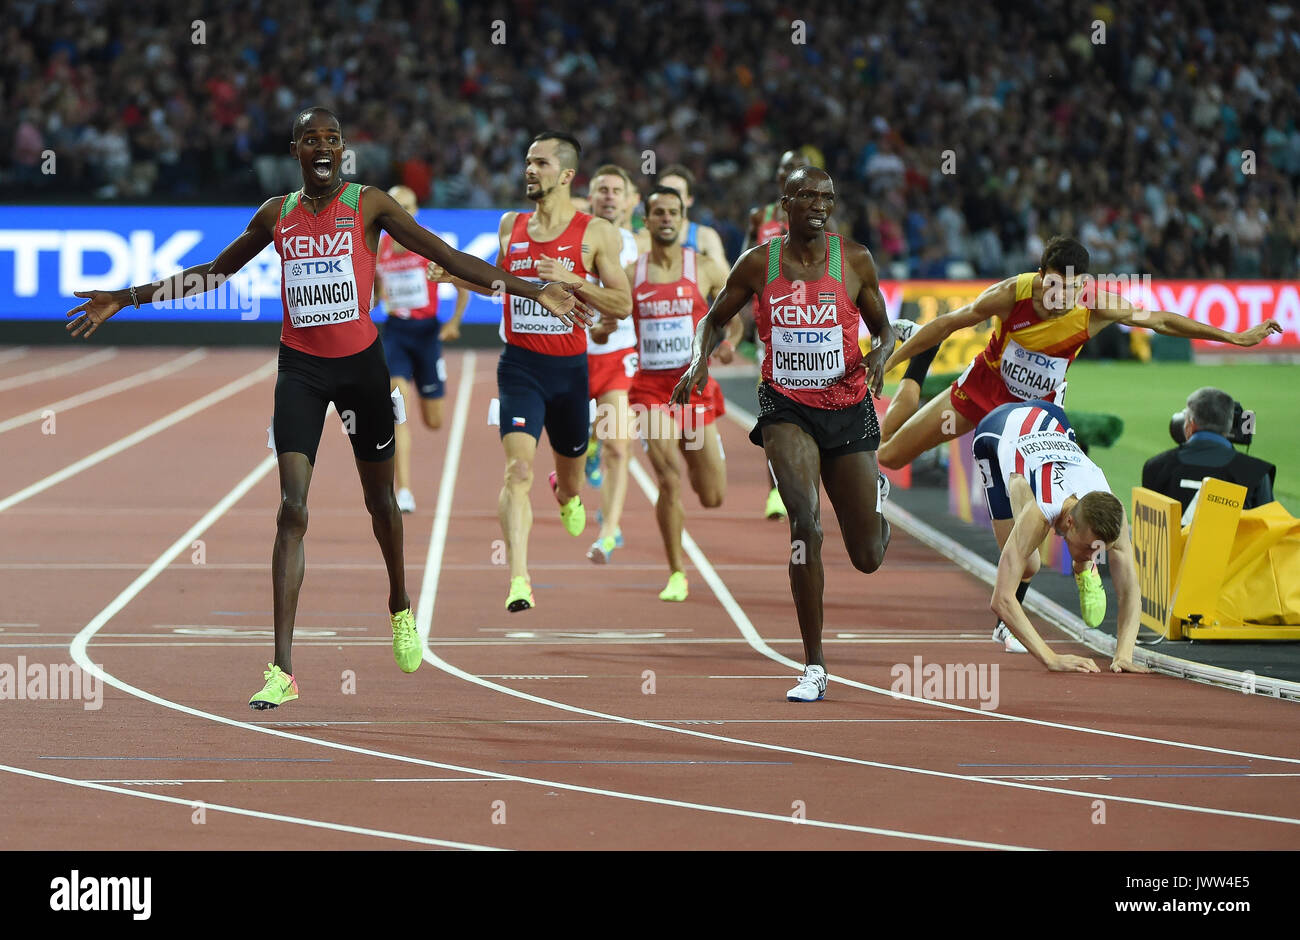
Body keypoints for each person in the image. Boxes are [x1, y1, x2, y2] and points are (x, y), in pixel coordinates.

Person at [65, 108, 585, 707]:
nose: (322, 147)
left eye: (331, 140)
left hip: (363, 370)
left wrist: (530, 288)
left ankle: (399, 604)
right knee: (291, 510)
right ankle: (282, 670)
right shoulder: (276, 213)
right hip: (302, 372)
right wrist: (127, 298)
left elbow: (450, 256)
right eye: (310, 139)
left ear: (343, 151)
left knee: (381, 503)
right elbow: (213, 274)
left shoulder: (370, 205)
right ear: (295, 150)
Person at [880, 235, 1282, 632]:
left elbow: (1159, 320)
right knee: (890, 455)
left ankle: (1036, 600)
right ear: (1042, 278)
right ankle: (921, 365)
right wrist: (890, 360)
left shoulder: (1096, 305)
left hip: (1035, 420)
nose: (1062, 300)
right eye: (1056, 289)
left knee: (1036, 530)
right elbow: (948, 323)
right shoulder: (1010, 294)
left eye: (1073, 289)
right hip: (981, 392)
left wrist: (1233, 337)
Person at [675, 166, 893, 702]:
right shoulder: (758, 264)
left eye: (828, 196)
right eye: (808, 196)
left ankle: (876, 498)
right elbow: (713, 317)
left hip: (846, 406)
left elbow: (884, 328)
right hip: (786, 407)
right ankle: (814, 666)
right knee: (806, 524)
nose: (820, 204)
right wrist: (698, 361)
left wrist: (881, 355)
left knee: (867, 555)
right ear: (786, 203)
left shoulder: (855, 259)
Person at [441, 131, 631, 610]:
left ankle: (566, 494)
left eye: (541, 163)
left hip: (570, 371)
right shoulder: (511, 225)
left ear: (566, 175)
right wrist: (455, 274)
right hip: (519, 366)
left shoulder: (595, 233)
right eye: (527, 161)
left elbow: (623, 303)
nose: (529, 170)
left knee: (569, 477)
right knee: (517, 470)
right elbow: (496, 286)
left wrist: (571, 279)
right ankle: (519, 579)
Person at [975, 398, 1149, 672]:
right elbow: (1001, 599)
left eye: (1098, 552)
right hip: (996, 431)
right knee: (1027, 565)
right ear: (1068, 522)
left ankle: (1082, 569)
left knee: (1099, 554)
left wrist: (1124, 654)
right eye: (1092, 550)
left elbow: (1130, 589)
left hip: (1050, 416)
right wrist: (1051, 658)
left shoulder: (1113, 511)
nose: (1098, 556)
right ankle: (1003, 630)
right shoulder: (1039, 513)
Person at [626, 185, 738, 600]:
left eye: (674, 212)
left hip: (694, 389)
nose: (667, 219)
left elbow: (735, 311)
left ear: (682, 219)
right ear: (648, 220)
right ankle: (676, 572)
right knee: (668, 480)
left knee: (711, 496)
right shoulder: (631, 273)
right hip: (651, 389)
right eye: (659, 213)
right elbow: (612, 313)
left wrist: (726, 343)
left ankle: (703, 454)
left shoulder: (704, 268)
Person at [373, 184, 470, 514]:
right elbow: (374, 290)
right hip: (396, 335)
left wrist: (454, 321)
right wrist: (375, 300)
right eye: (396, 206)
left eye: (408, 206)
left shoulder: (429, 243)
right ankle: (404, 491)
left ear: (416, 210)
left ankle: (426, 393)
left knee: (433, 420)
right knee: (396, 408)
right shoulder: (375, 247)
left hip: (427, 336)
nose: (402, 212)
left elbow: (463, 285)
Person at [581, 164, 642, 563]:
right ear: (589, 196)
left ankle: (608, 530)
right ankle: (582, 450)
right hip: (574, 351)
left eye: (615, 190)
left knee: (618, 446)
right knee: (568, 444)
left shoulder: (641, 244)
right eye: (601, 188)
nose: (608, 195)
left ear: (629, 199)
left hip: (620, 354)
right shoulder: (575, 236)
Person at [1143, 387, 1277, 525]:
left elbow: (1146, 532)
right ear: (1230, 425)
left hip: (1172, 547)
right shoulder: (1255, 473)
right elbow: (1267, 533)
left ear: (1191, 423)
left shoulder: (1156, 466)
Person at [639, 164, 730, 268]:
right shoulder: (643, 236)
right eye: (664, 191)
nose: (670, 197)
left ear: (689, 200)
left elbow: (724, 280)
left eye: (677, 192)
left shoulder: (705, 236)